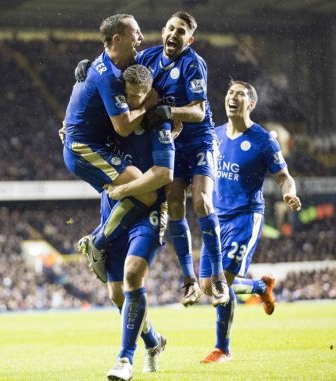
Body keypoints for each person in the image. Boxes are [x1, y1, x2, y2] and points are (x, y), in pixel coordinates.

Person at [76, 11, 229, 307]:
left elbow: (197, 111)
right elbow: (114, 67)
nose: (174, 34)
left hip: (199, 140)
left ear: (190, 39)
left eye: (181, 31)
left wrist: (166, 112)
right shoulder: (147, 58)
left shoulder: (193, 64)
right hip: (171, 143)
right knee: (173, 204)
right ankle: (188, 281)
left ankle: (219, 278)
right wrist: (88, 66)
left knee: (201, 202)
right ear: (162, 32)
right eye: (171, 28)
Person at [199, 80, 301, 363]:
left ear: (251, 104)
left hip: (245, 217)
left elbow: (284, 176)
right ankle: (259, 288)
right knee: (208, 286)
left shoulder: (263, 139)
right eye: (230, 92)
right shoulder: (215, 135)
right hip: (214, 218)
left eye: (240, 95)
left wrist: (289, 193)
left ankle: (222, 349)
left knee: (220, 284)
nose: (233, 97)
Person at [84, 64, 173, 380]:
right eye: (128, 96)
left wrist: (124, 188)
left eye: (139, 96)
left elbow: (163, 174)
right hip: (113, 208)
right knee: (116, 294)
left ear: (149, 93)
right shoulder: (110, 119)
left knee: (133, 274)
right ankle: (153, 340)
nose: (133, 102)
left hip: (148, 212)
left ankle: (125, 359)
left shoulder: (159, 123)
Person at [62, 14, 159, 284]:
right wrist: (146, 106)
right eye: (135, 33)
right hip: (84, 149)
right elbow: (123, 127)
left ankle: (100, 240)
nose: (141, 38)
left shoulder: (110, 63)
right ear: (118, 39)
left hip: (88, 145)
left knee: (134, 194)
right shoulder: (110, 76)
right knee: (148, 193)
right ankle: (97, 241)